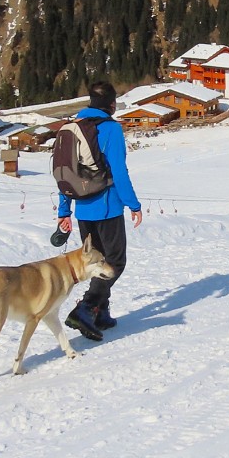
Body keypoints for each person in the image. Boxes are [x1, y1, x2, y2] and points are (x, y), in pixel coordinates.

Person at [57, 80, 143, 341]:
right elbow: (119, 171)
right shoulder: (111, 129)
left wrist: (64, 210)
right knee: (114, 262)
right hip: (107, 207)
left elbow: (65, 172)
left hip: (82, 209)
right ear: (111, 104)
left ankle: (100, 313)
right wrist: (133, 204)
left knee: (97, 261)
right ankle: (86, 308)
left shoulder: (72, 127)